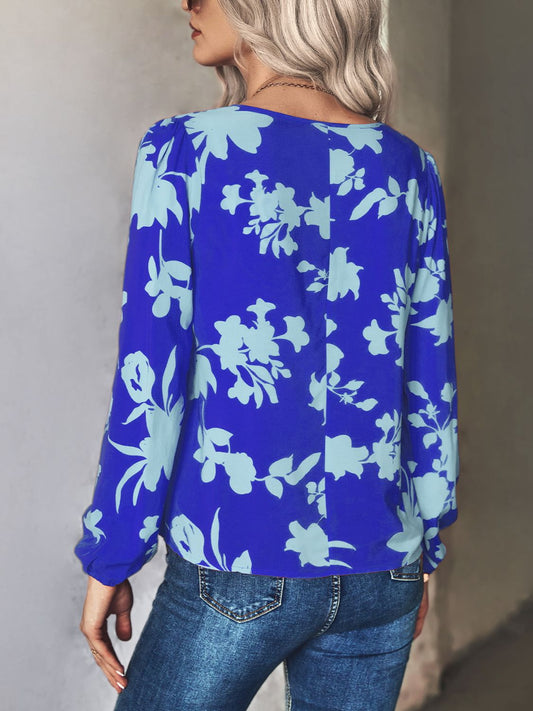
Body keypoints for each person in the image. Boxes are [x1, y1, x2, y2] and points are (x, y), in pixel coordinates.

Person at [74, 1, 460, 709]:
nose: (186, 4)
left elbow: (151, 375)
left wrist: (113, 550)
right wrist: (424, 548)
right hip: (384, 565)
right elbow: (427, 378)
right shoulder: (409, 167)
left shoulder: (185, 151)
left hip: (240, 561)